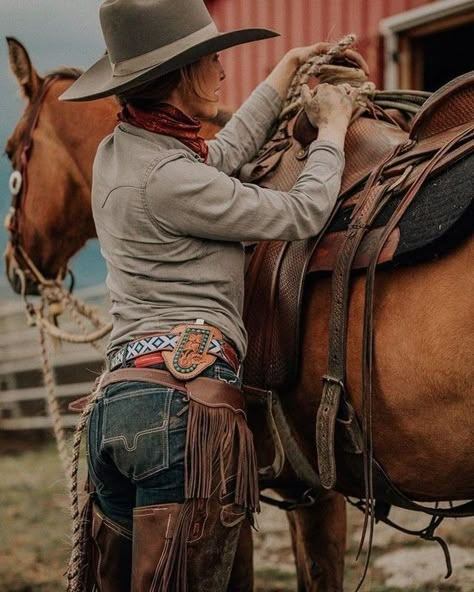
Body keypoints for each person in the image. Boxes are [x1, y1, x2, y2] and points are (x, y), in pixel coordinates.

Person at [61, 0, 365, 590]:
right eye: (209, 59)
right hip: (184, 415)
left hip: (121, 409)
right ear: (178, 77)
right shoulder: (172, 178)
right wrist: (330, 129)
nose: (223, 70)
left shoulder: (118, 154)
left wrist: (284, 75)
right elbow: (302, 212)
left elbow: (216, 160)